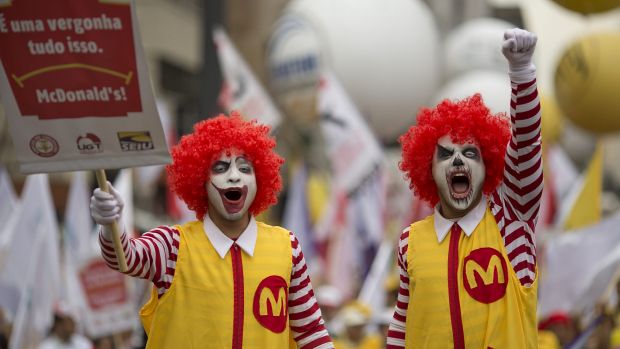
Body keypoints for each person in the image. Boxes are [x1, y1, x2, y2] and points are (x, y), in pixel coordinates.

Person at [90, 112, 333, 348]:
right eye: (220, 168)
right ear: (201, 181)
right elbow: (126, 258)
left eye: (245, 168)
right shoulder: (173, 245)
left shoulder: (286, 247)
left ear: (260, 178)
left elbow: (311, 332)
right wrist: (112, 224)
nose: (234, 177)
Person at [386, 28, 542, 348]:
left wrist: (522, 72)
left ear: (488, 168)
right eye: (445, 155)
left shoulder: (512, 221)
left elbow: (526, 144)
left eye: (470, 153)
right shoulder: (409, 242)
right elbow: (403, 325)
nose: (458, 160)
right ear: (428, 170)